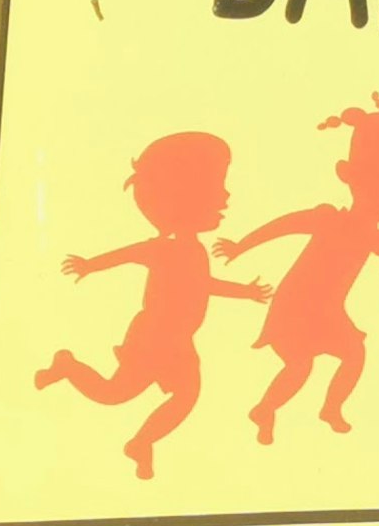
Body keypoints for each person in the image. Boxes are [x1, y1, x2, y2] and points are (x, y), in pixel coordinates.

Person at [37, 131, 271, 480]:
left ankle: (142, 443)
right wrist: (90, 265)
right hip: (152, 338)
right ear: (183, 198)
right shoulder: (164, 248)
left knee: (187, 396)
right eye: (215, 189)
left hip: (180, 341)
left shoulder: (195, 250)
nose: (225, 196)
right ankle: (68, 367)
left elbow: (203, 286)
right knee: (113, 394)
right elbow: (129, 255)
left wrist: (245, 292)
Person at [218, 98, 379, 444]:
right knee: (300, 366)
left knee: (353, 355)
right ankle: (266, 409)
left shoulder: (372, 235)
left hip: (327, 312)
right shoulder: (329, 219)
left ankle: (329, 408)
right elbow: (283, 226)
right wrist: (242, 245)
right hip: (295, 308)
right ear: (347, 173)